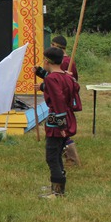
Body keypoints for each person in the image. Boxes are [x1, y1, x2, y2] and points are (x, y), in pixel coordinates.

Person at [34, 47, 81, 199]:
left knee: (52, 156)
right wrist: (41, 73)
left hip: (57, 122)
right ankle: (56, 186)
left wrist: (61, 125)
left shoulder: (51, 79)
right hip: (67, 117)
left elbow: (58, 100)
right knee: (57, 154)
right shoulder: (67, 76)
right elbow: (60, 84)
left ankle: (58, 192)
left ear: (47, 61)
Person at [50, 35, 81, 166]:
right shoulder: (68, 61)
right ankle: (65, 156)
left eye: (52, 45)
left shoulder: (65, 61)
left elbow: (72, 80)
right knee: (59, 129)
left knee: (61, 129)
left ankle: (72, 159)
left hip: (61, 99)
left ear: (56, 47)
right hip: (61, 97)